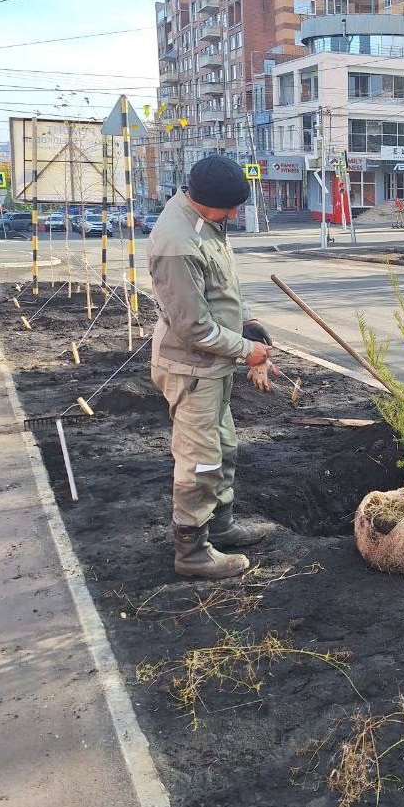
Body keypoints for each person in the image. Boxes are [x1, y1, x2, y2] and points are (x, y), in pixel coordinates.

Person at [148, 154, 274, 579]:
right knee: (200, 459)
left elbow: (222, 289)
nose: (236, 214)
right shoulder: (177, 244)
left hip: (213, 367)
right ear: (203, 201)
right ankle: (193, 551)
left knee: (223, 448)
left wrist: (248, 322)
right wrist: (246, 350)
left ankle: (220, 527)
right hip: (192, 368)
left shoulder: (207, 222)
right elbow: (193, 328)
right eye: (231, 207)